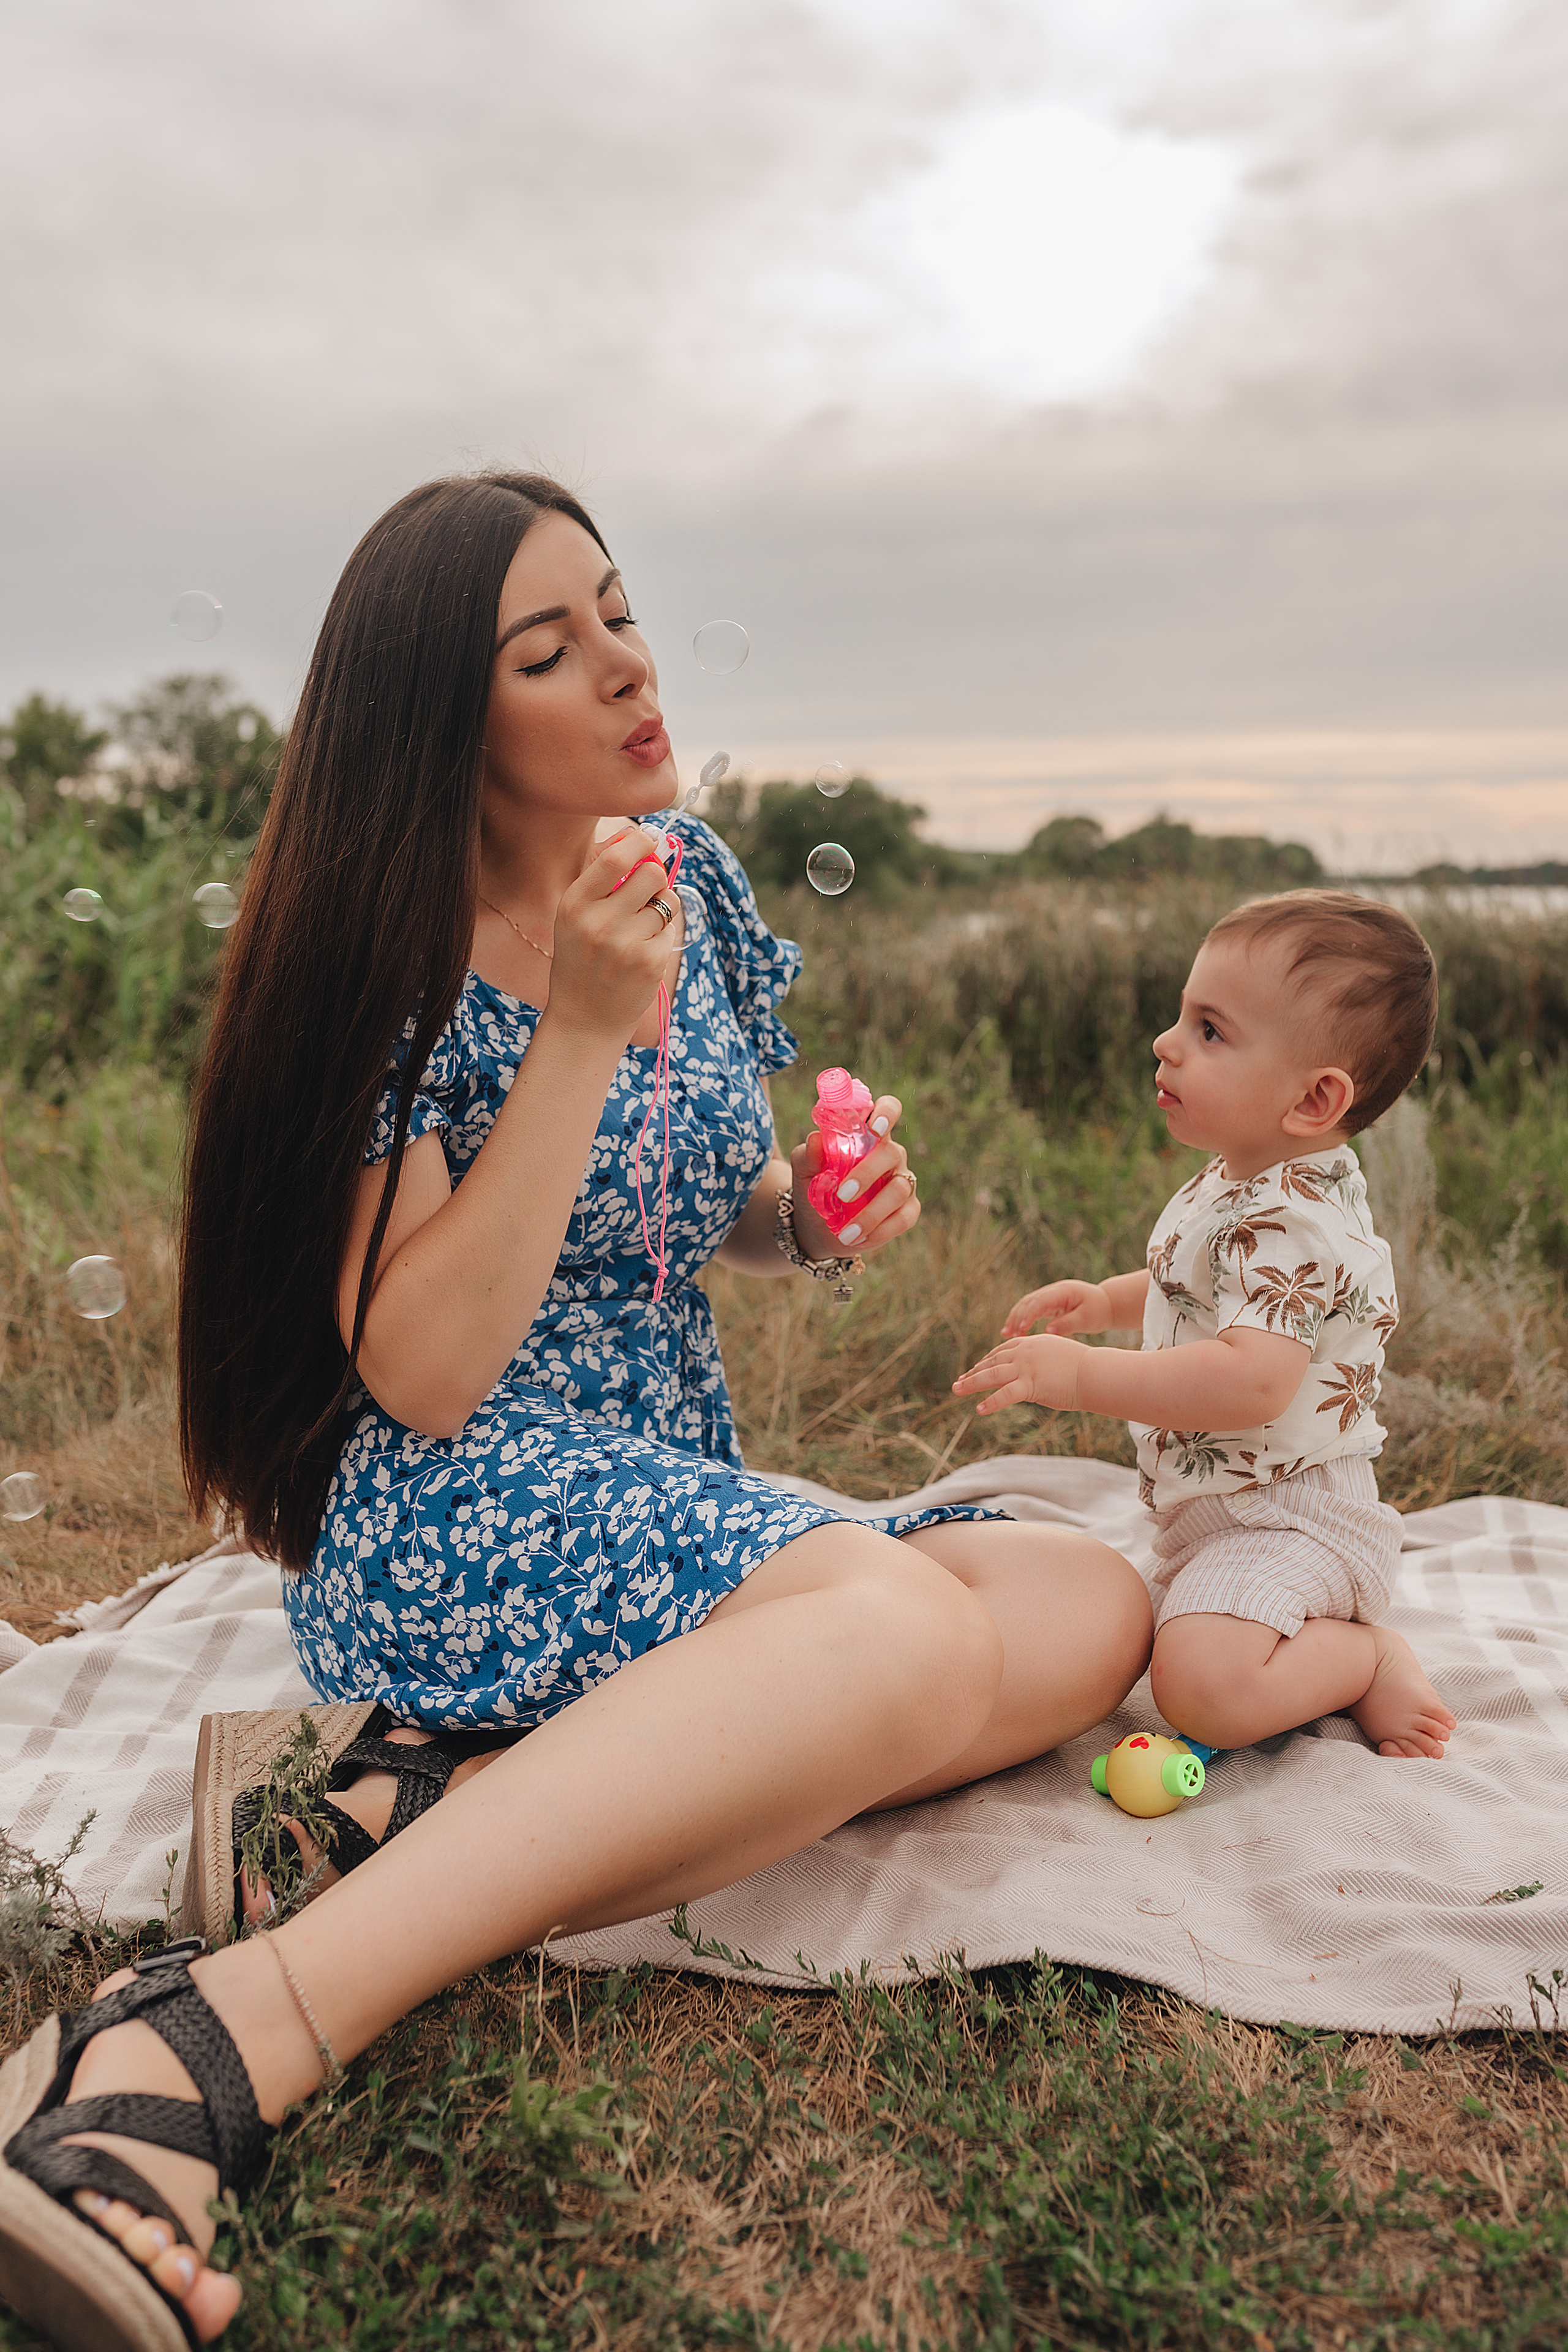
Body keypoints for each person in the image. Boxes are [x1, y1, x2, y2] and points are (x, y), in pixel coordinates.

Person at [0, 473, 1151, 2350]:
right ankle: (210, 2034)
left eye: (617, 610)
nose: (624, 663)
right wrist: (582, 1036)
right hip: (459, 1513)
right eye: (549, 647)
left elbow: (706, 1207)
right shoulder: (386, 958)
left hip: (655, 1491)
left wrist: (809, 1221)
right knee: (897, 1630)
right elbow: (428, 1368)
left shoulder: (676, 879)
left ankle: (406, 1804)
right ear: (446, 721)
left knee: (1086, 1607)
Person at [955, 890, 1458, 1764]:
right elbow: (1197, 1287)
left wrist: (1082, 1377)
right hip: (1220, 1514)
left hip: (1292, 1519)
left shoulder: (1296, 1220)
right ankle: (1260, 1622)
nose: (1167, 1042)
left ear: (1314, 1099)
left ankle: (1367, 1654)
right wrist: (1110, 1303)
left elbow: (1250, 1379)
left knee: (1201, 1689)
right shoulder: (1246, 1177)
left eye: (1210, 1031)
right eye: (1183, 1018)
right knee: (1145, 1643)